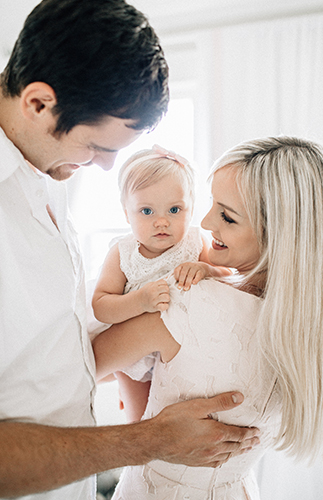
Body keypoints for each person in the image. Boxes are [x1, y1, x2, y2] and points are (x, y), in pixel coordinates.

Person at [0, 0, 260, 498]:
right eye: (98, 147)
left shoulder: (45, 161)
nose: (102, 167)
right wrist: (147, 440)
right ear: (38, 103)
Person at [93, 136, 323, 499]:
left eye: (227, 215)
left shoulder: (187, 298)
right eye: (212, 203)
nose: (203, 220)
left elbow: (77, 369)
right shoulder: (307, 325)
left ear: (278, 232)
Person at [91, 145, 231, 422]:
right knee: (141, 420)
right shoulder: (123, 252)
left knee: (178, 412)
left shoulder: (195, 242)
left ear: (191, 209)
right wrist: (139, 301)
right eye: (146, 211)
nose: (162, 221)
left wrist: (206, 269)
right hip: (132, 357)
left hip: (182, 352)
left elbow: (230, 278)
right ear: (126, 213)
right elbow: (101, 306)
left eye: (174, 209)